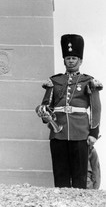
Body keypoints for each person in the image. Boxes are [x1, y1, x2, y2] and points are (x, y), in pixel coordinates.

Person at [36, 34, 102, 189]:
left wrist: (93, 133)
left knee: (80, 176)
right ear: (64, 60)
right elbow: (46, 105)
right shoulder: (55, 81)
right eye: (68, 58)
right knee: (60, 174)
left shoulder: (89, 81)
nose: (71, 61)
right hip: (58, 131)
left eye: (74, 58)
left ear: (80, 61)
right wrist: (44, 114)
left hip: (80, 132)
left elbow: (96, 108)